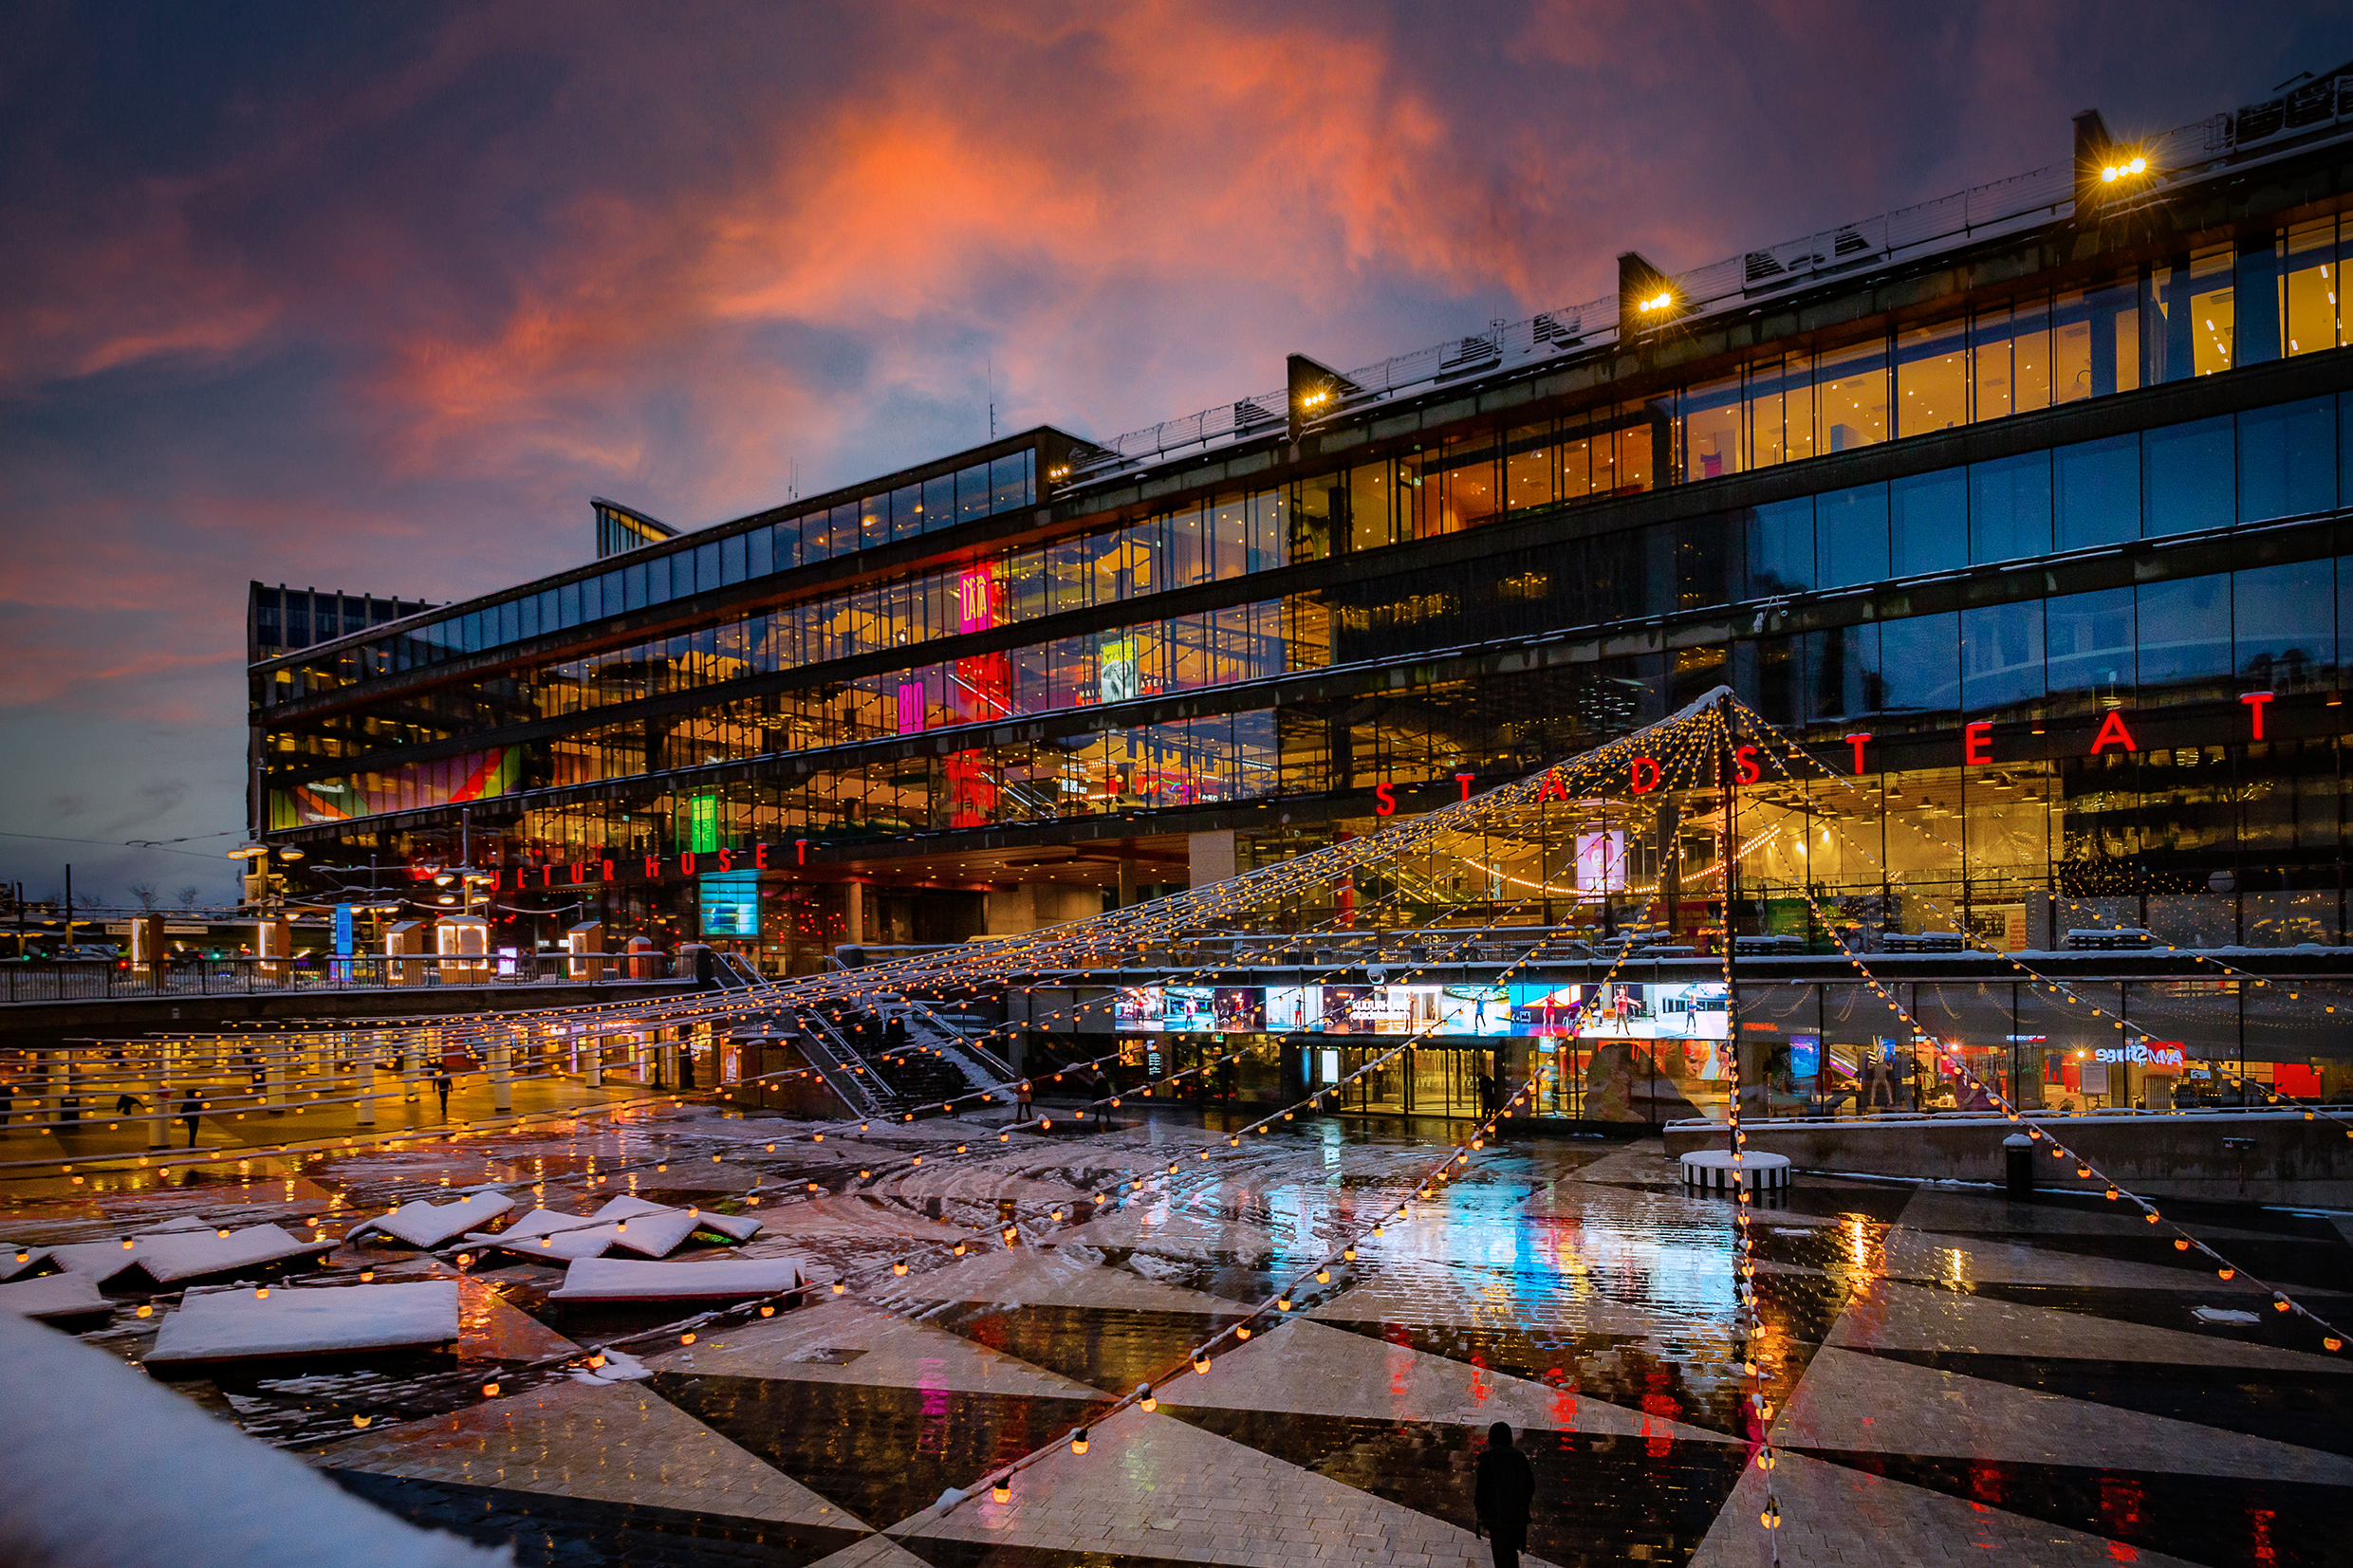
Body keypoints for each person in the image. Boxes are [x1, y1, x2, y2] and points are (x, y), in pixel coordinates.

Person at [1473, 1421, 1535, 1568]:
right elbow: (1530, 1486)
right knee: (1511, 1553)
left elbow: (1481, 1490)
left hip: (1497, 1518)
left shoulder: (1487, 1460)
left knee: (1501, 1555)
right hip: (1516, 1516)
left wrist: (1481, 1511)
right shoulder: (1519, 1458)